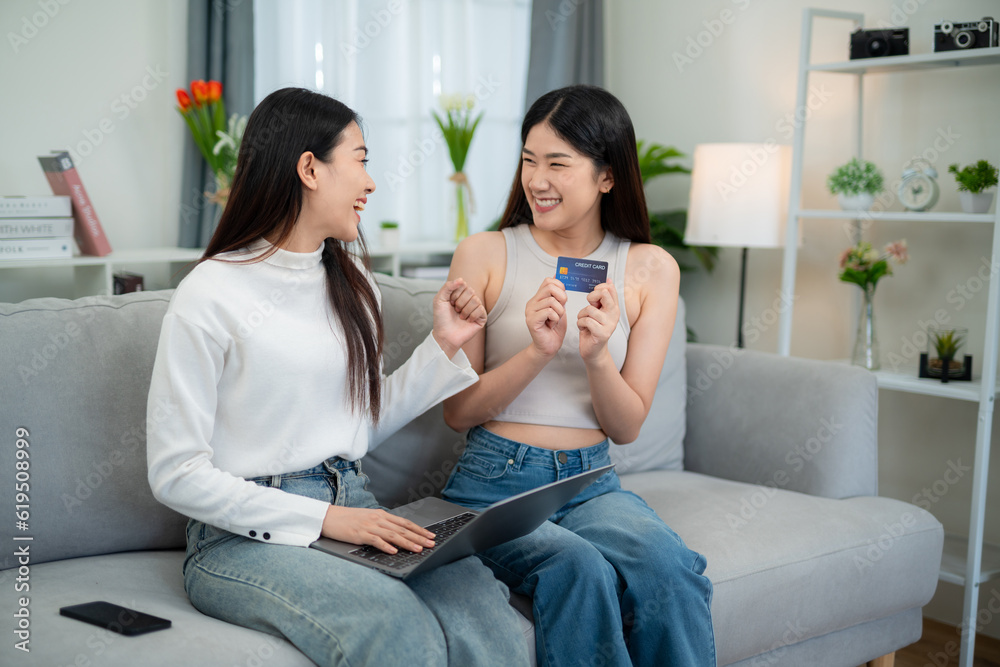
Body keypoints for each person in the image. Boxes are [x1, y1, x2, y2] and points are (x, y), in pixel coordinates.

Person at [146, 87, 530, 667]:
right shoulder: (211, 292)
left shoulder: (352, 284)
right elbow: (176, 474)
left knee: (480, 602)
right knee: (395, 624)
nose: (371, 183)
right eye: (361, 159)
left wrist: (444, 343)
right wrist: (327, 518)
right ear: (309, 169)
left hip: (354, 500)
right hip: (238, 540)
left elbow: (359, 423)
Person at [440, 85, 716, 666]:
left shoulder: (648, 269)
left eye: (558, 164)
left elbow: (627, 426)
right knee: (582, 570)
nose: (537, 180)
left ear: (607, 177)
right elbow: (457, 412)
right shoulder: (486, 253)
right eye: (528, 160)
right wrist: (537, 352)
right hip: (495, 481)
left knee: (670, 568)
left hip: (591, 481)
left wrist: (594, 357)